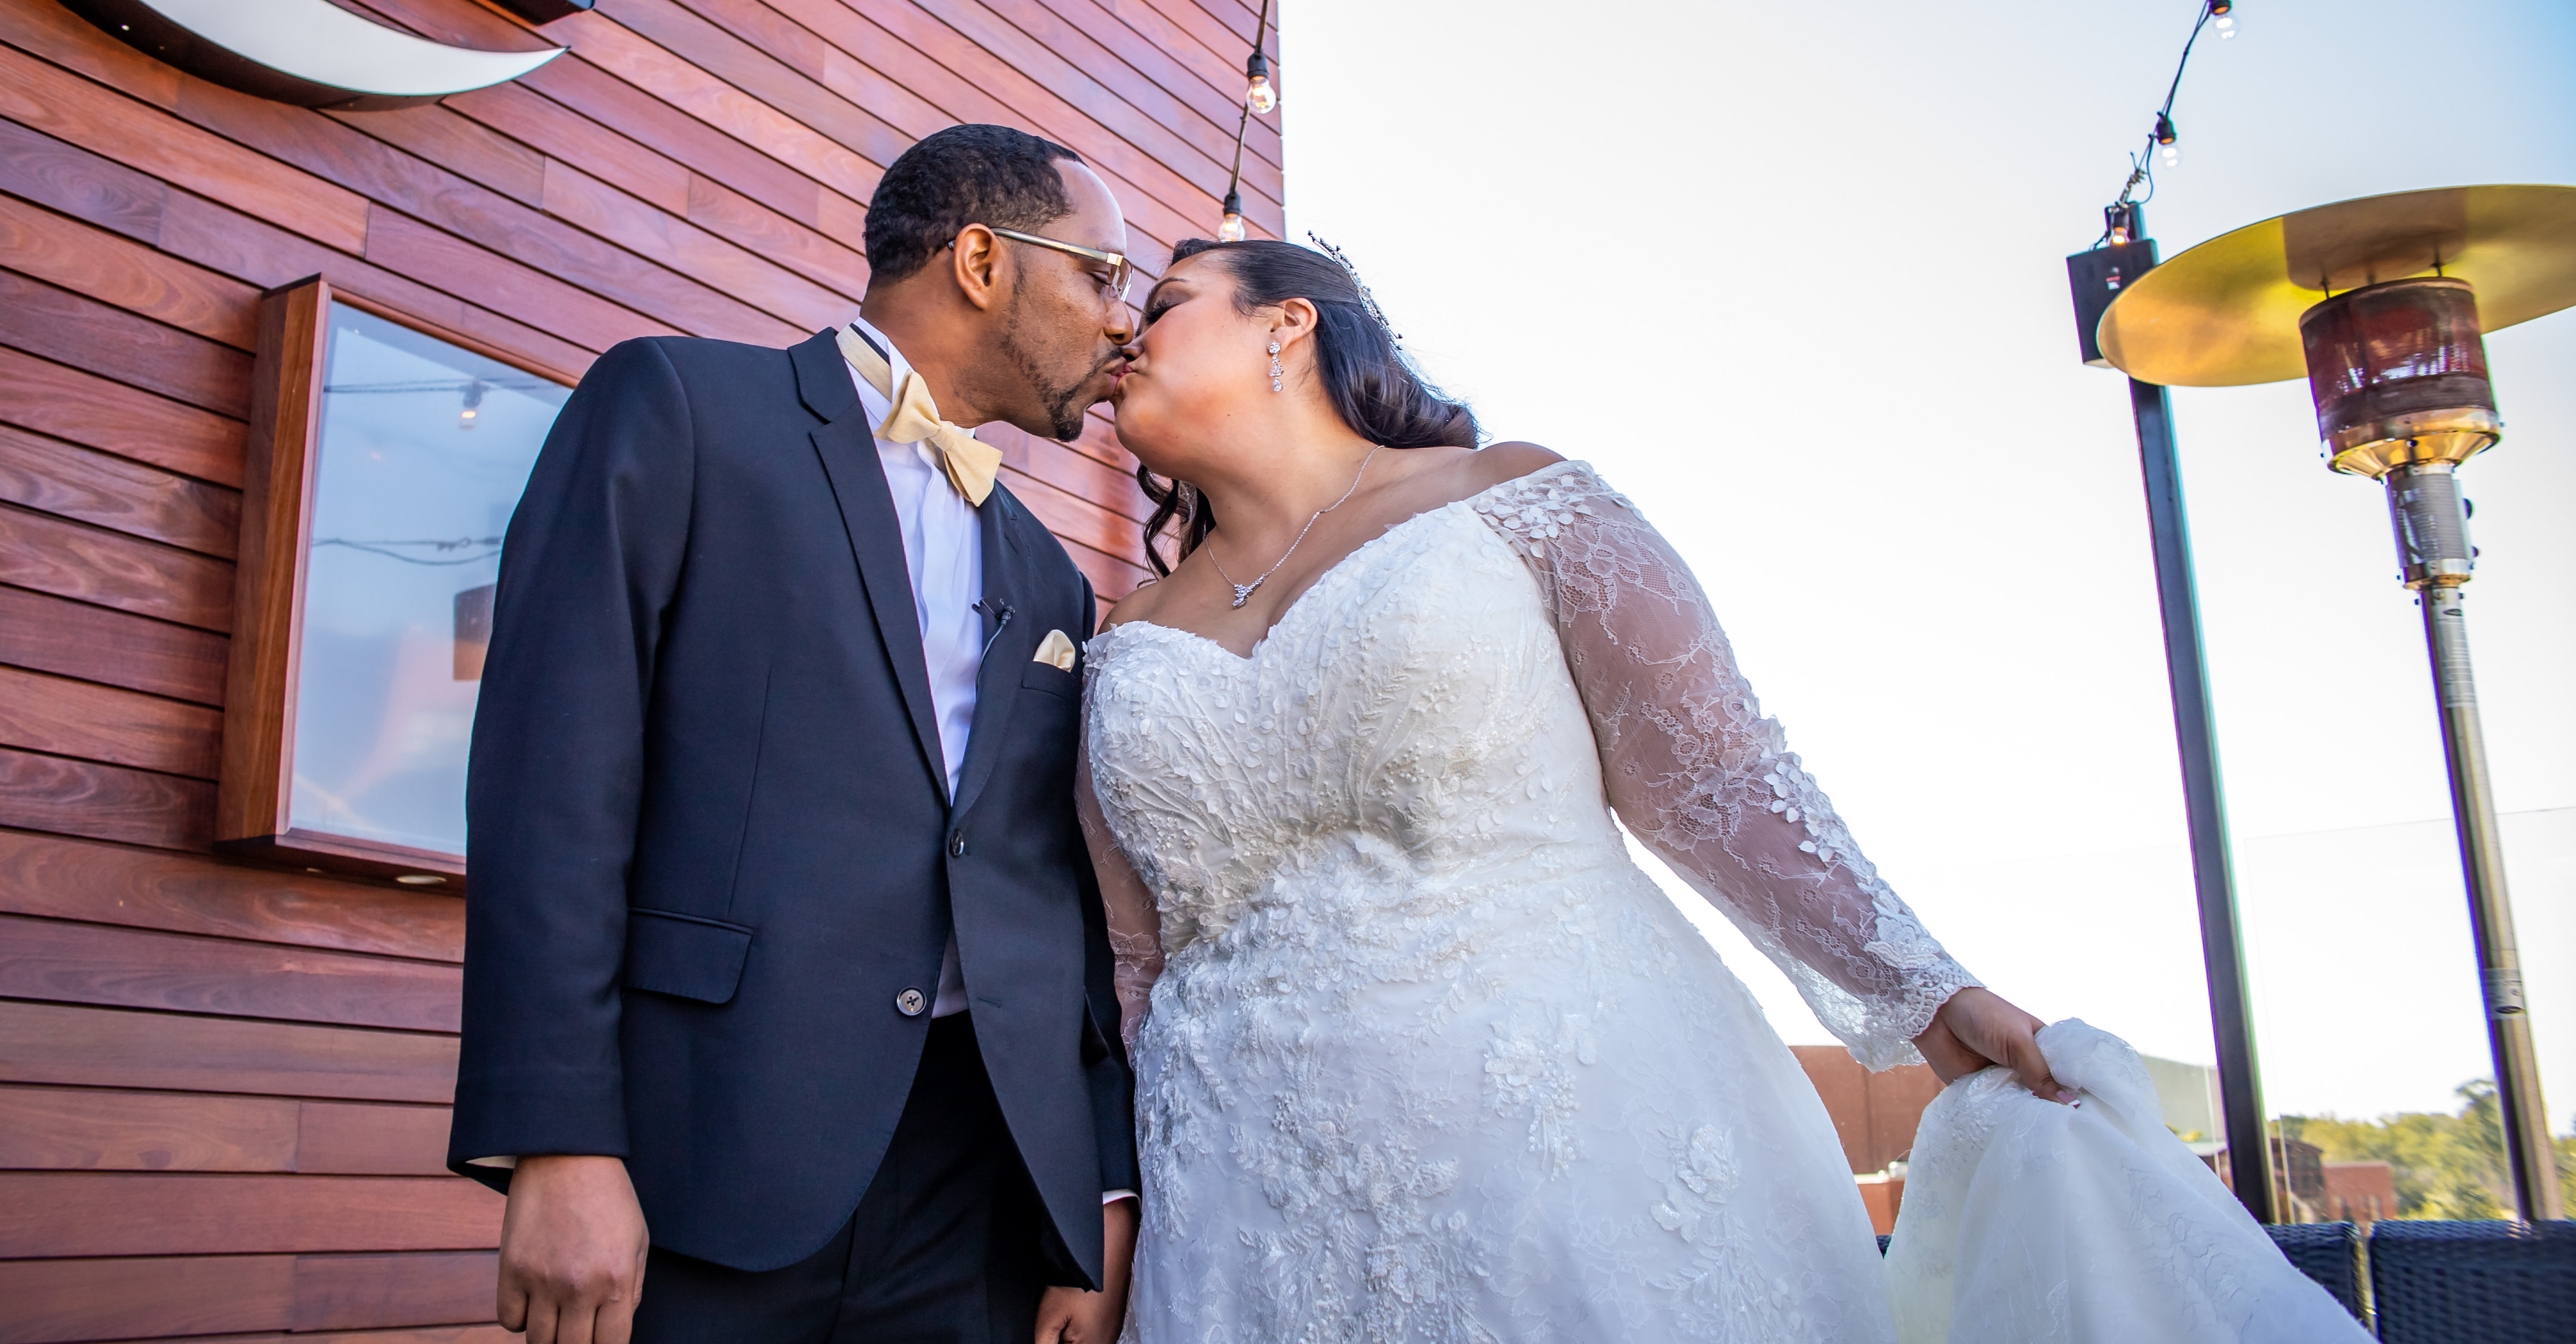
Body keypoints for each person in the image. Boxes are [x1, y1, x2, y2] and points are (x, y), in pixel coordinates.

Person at [1075, 236, 2068, 1341]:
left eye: (1165, 305)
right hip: (1235, 1206)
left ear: (1286, 322)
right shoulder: (1129, 636)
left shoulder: (1504, 499)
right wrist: (1109, 1208)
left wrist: (1925, 988)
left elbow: (1718, 782)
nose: (1125, 334)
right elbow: (1137, 967)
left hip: (1563, 1145)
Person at [450, 125, 1144, 1344]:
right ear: (982, 261)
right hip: (708, 1151)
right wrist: (558, 1136)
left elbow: (1051, 893)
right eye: (1100, 274)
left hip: (977, 1189)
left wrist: (1091, 1189)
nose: (1119, 321)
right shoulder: (680, 410)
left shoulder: (1048, 574)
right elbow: (550, 784)